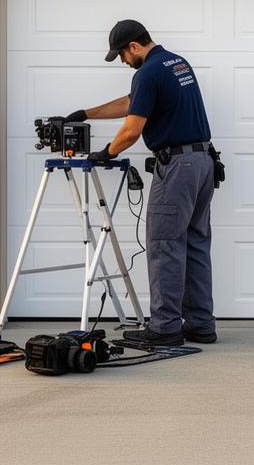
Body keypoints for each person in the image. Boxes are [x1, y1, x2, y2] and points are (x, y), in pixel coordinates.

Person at [65, 18, 218, 347]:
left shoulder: (147, 71)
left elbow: (133, 129)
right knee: (194, 244)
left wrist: (106, 152)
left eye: (121, 54)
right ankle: (201, 324)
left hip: (176, 165)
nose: (122, 60)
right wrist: (84, 113)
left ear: (134, 46)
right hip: (202, 162)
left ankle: (164, 327)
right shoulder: (174, 63)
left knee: (165, 246)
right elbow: (132, 102)